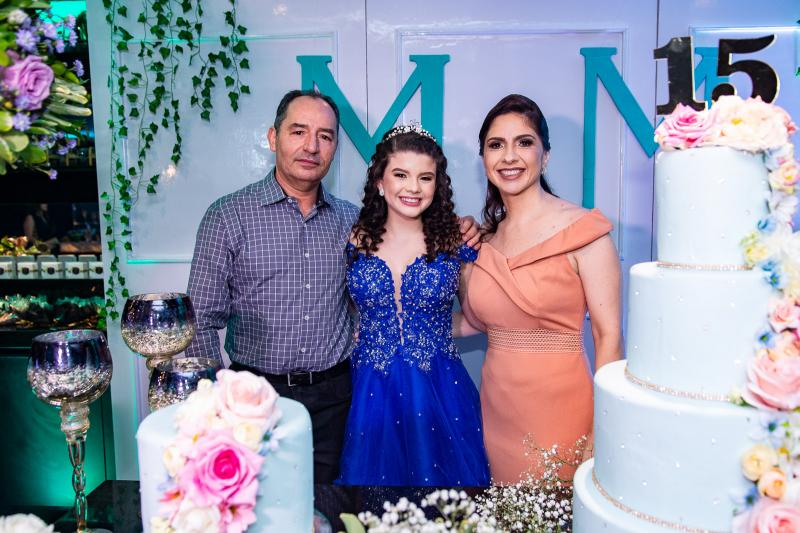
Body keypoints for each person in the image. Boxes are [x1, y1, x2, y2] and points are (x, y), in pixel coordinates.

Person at [185, 90, 480, 483]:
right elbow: (200, 321)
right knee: (260, 503)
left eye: (324, 136)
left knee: (338, 504)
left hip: (338, 399)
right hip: (256, 398)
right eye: (298, 131)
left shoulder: (353, 224)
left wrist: (465, 229)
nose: (311, 146)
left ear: (335, 147)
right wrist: (217, 406)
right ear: (273, 137)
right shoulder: (228, 215)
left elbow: (380, 294)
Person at [461, 94, 622, 484]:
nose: (509, 156)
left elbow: (609, 337)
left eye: (524, 142)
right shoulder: (481, 241)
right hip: (495, 415)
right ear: (484, 159)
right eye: (496, 145)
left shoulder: (585, 232)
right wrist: (393, 323)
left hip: (563, 413)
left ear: (545, 156)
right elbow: (474, 323)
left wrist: (605, 428)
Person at [337, 124, 490, 486]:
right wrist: (370, 328)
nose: (413, 187)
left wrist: (428, 330)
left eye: (425, 177)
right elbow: (345, 307)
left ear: (437, 186)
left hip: (439, 386)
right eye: (401, 175)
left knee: (446, 499)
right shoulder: (353, 239)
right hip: (370, 388)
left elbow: (476, 319)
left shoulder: (455, 242)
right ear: (380, 181)